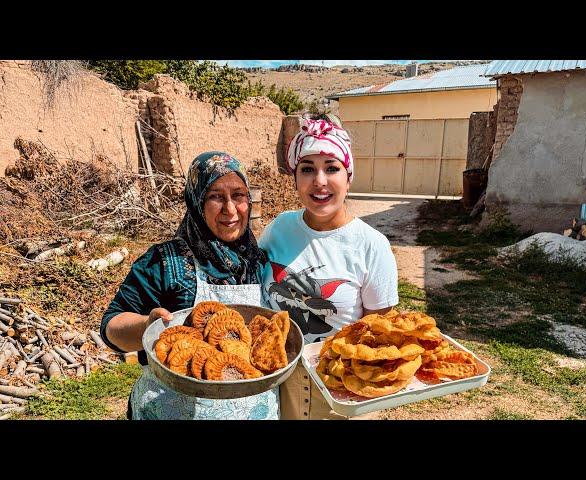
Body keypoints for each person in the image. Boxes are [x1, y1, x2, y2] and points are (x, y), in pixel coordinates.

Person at [100, 151, 278, 420]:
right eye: (216, 196)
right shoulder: (164, 261)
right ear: (196, 201)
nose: (230, 209)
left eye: (238, 195)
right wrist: (147, 328)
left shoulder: (261, 261)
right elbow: (111, 327)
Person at [259, 113, 399, 419]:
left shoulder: (371, 245)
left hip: (342, 392)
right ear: (295, 178)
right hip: (281, 385)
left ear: (348, 177)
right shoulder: (279, 228)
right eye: (307, 169)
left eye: (332, 168)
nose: (319, 181)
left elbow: (380, 335)